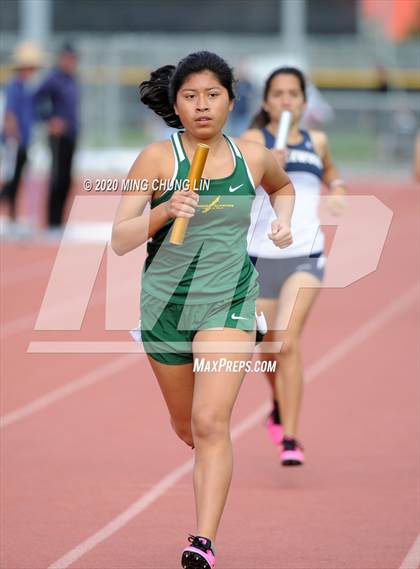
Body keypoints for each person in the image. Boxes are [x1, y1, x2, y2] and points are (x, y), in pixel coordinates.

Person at [111, 52, 295, 569]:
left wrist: (281, 222)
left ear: (232, 101)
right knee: (189, 428)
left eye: (213, 95)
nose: (202, 106)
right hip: (165, 307)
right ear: (176, 104)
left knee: (213, 422)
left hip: (228, 300)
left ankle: (202, 543)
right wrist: (166, 209)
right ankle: (207, 457)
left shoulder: (252, 157)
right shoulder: (156, 160)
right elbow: (120, 239)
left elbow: (282, 187)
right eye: (190, 96)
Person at [242, 67, 347, 466]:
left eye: (293, 94)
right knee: (267, 348)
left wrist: (336, 190)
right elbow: (238, 180)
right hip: (258, 257)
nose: (286, 101)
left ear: (304, 102)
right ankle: (278, 401)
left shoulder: (318, 140)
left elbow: (332, 172)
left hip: (305, 254)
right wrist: (267, 163)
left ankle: (290, 437)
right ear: (267, 102)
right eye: (278, 94)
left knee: (285, 341)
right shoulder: (254, 140)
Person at [34, 43, 80, 231]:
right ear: (61, 59)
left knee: (68, 178)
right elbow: (36, 98)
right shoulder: (53, 79)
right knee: (57, 177)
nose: (71, 62)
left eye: (73, 59)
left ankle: (60, 221)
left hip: (71, 134)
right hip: (57, 136)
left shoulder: (72, 79)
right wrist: (50, 119)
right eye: (68, 58)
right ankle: (52, 221)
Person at [0, 42, 42, 232]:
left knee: (17, 181)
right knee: (12, 181)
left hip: (24, 141)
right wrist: (14, 139)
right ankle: (11, 217)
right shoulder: (14, 87)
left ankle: (13, 218)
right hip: (15, 142)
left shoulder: (26, 88)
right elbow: (9, 115)